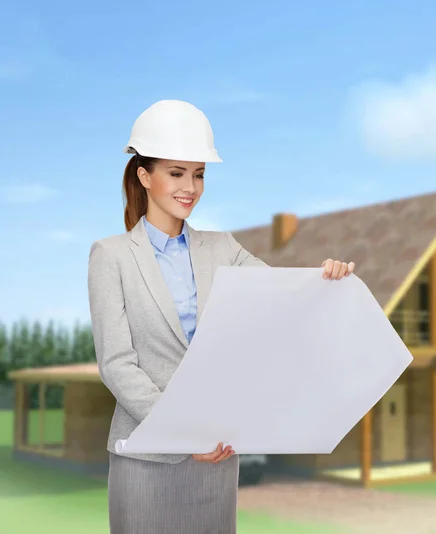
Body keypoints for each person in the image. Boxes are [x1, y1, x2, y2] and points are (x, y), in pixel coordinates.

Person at [87, 99, 356, 534]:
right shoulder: (110, 256)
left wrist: (326, 278)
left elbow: (282, 296)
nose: (189, 186)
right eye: (176, 172)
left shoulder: (223, 248)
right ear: (144, 175)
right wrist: (180, 432)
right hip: (148, 460)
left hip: (215, 457)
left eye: (198, 174)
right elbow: (117, 363)